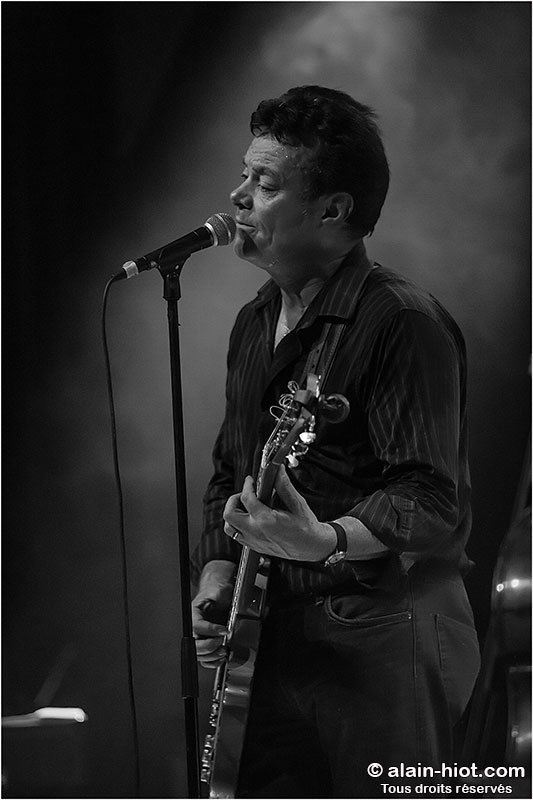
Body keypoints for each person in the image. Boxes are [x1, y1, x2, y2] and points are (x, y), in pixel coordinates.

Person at [191, 85, 480, 798]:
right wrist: (218, 574)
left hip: (385, 635)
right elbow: (230, 471)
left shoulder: (401, 320)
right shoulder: (254, 321)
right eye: (243, 175)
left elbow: (430, 496)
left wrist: (324, 540)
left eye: (264, 183)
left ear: (332, 210)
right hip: (272, 639)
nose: (237, 197)